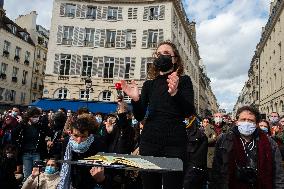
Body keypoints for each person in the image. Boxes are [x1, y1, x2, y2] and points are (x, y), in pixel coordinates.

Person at [121, 40, 196, 189]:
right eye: (158, 54)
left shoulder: (184, 81)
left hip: (175, 143)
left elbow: (189, 111)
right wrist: (135, 100)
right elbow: (140, 115)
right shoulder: (149, 85)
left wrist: (175, 93)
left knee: (172, 185)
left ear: (175, 59)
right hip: (150, 142)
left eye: (166, 53)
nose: (162, 56)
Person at [210, 106, 284, 189]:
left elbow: (278, 173)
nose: (246, 123)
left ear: (256, 124)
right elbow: (216, 170)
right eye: (243, 119)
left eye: (251, 120)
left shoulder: (269, 143)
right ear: (237, 121)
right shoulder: (224, 139)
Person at [57, 114, 111, 189]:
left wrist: (101, 178)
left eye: (83, 137)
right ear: (71, 133)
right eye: (76, 136)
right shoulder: (67, 142)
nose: (79, 141)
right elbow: (63, 164)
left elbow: (108, 171)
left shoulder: (98, 143)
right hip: (73, 184)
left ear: (89, 135)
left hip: (92, 184)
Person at [12, 107, 50, 180]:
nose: (36, 118)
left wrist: (48, 140)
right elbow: (14, 134)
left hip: (37, 153)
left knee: (37, 175)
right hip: (26, 153)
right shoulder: (23, 126)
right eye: (34, 117)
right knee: (27, 176)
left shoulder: (41, 126)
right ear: (29, 117)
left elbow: (48, 134)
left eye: (38, 116)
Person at [183, 116, 208, 189]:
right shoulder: (175, 132)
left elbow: (197, 164)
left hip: (191, 179)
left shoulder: (200, 136)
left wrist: (186, 182)